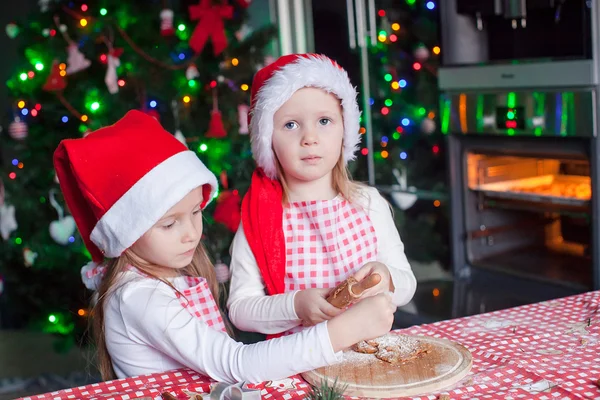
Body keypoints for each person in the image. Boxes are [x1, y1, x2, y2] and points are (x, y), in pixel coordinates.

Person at [54, 110, 396, 383]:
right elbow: (237, 363)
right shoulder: (138, 297)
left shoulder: (161, 276)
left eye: (195, 213)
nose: (191, 233)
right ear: (126, 232)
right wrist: (344, 330)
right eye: (170, 224)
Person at [227, 54, 416, 338]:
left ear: (344, 129)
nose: (310, 138)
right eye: (291, 125)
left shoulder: (368, 204)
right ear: (268, 140)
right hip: (301, 361)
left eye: (324, 121)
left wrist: (387, 278)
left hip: (371, 359)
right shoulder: (260, 219)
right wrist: (294, 306)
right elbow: (240, 308)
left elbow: (407, 284)